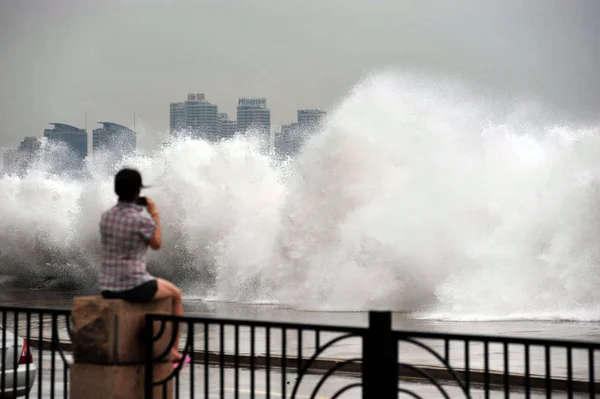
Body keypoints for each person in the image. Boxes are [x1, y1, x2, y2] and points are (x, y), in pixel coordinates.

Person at [98, 168, 188, 364]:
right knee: (176, 294)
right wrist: (154, 213)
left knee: (156, 292)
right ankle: (173, 351)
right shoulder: (141, 219)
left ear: (117, 190)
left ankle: (152, 340)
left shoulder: (106, 217)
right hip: (133, 285)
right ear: (138, 191)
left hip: (108, 286)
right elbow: (156, 244)